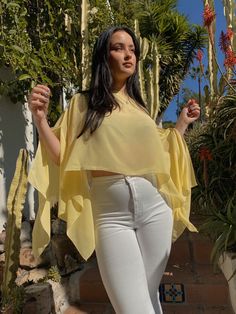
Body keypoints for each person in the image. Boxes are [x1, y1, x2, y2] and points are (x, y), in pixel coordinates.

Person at [28, 26, 200, 314]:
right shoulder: (84, 104)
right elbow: (62, 156)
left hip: (156, 208)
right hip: (111, 214)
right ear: (104, 56)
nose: (128, 54)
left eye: (132, 49)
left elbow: (161, 154)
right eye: (119, 48)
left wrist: (181, 124)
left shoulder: (140, 109)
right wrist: (41, 120)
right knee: (133, 308)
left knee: (148, 298)